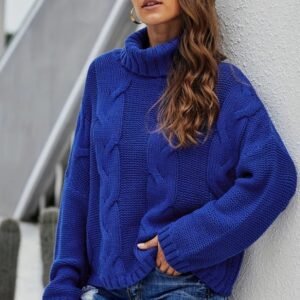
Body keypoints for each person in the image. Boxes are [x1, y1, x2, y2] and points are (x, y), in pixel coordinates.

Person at [43, 0, 298, 299]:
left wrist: (188, 240)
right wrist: (62, 285)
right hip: (108, 289)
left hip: (182, 287)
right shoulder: (104, 75)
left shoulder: (223, 85)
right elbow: (80, 187)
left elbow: (275, 176)